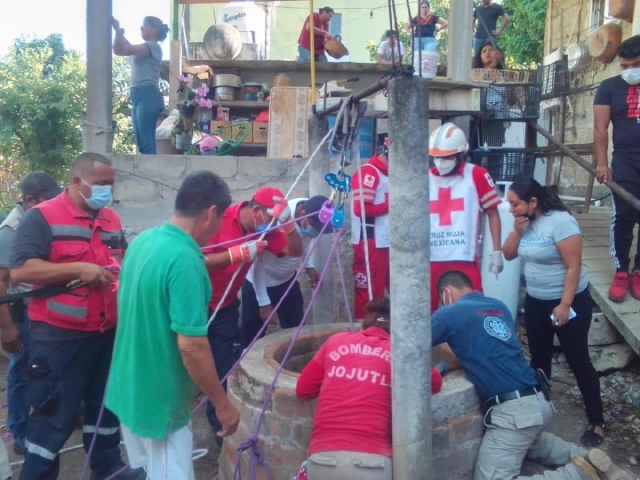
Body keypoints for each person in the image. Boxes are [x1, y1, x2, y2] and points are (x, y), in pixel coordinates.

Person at [9, 153, 144, 480]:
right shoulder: (42, 217)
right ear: (77, 182)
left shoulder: (110, 218)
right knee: (54, 415)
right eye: (101, 184)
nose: (107, 190)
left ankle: (107, 468)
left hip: (105, 332)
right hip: (58, 337)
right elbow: (19, 270)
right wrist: (78, 268)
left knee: (105, 407)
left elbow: (118, 262)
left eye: (111, 184)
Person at [432, 270, 631, 480]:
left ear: (446, 293)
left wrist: (438, 364)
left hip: (513, 411)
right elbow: (482, 352)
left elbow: (411, 342)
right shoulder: (498, 307)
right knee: (529, 442)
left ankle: (578, 473)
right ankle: (585, 456)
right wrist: (446, 365)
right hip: (538, 400)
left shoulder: (449, 313)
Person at [106, 171, 240, 480]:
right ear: (210, 213)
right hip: (160, 402)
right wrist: (222, 404)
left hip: (129, 389)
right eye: (221, 220)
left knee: (148, 471)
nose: (219, 229)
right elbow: (192, 346)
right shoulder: (185, 260)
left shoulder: (144, 241)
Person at [502, 177, 606, 447]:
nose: (510, 207)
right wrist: (515, 231)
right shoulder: (524, 223)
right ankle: (540, 412)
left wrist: (565, 304)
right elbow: (509, 254)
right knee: (538, 359)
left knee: (578, 361)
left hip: (568, 301)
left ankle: (598, 422)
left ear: (532, 202)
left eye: (514, 203)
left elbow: (574, 266)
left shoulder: (560, 222)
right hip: (536, 301)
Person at [296, 297, 443, 480]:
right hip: (372, 464)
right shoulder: (400, 353)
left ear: (364, 323)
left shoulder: (335, 342)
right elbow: (435, 383)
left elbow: (303, 389)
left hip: (322, 459)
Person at [203, 187, 303, 441]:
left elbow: (296, 251)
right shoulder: (218, 218)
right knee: (187, 363)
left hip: (225, 307)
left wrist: (288, 225)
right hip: (194, 304)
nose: (272, 225)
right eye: (271, 218)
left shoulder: (266, 229)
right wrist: (234, 254)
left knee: (223, 367)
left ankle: (220, 431)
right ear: (257, 210)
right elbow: (196, 259)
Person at [0, 172, 62, 457]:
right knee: (21, 373)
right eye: (49, 199)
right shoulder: (10, 230)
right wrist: (7, 329)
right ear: (30, 200)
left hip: (44, 310)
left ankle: (48, 419)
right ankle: (20, 432)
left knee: (43, 368)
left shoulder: (40, 221)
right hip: (21, 312)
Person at [428, 123, 503, 313]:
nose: (440, 162)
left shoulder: (477, 175)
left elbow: (492, 212)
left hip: (464, 255)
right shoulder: (424, 178)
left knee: (474, 312)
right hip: (431, 257)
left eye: (446, 157)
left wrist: (496, 251)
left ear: (461, 154)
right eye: (436, 157)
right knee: (424, 313)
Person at [241, 195, 331, 349]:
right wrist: (264, 303)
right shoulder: (276, 222)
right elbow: (257, 266)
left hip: (287, 282)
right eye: (316, 227)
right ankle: (242, 368)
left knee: (296, 330)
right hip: (258, 285)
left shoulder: (308, 208)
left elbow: (304, 243)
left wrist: (308, 266)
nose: (317, 232)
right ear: (303, 215)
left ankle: (293, 363)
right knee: (252, 336)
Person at [594, 35, 640, 303]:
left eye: (635, 64)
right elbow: (600, 128)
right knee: (623, 215)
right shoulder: (609, 87)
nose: (629, 70)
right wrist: (602, 163)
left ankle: (638, 271)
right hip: (624, 159)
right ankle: (621, 271)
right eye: (624, 66)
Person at [112, 16, 169, 155]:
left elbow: (127, 48)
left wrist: (118, 30)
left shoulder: (153, 46)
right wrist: (118, 34)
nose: (141, 27)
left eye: (145, 24)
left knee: (147, 143)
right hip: (138, 96)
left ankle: (153, 174)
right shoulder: (142, 48)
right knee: (141, 145)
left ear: (154, 29)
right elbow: (118, 50)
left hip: (148, 95)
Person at [351, 138, 390, 320]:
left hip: (387, 242)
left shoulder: (388, 174)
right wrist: (391, 205)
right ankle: (364, 336)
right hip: (370, 242)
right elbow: (361, 209)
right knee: (369, 295)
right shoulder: (369, 173)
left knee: (388, 293)